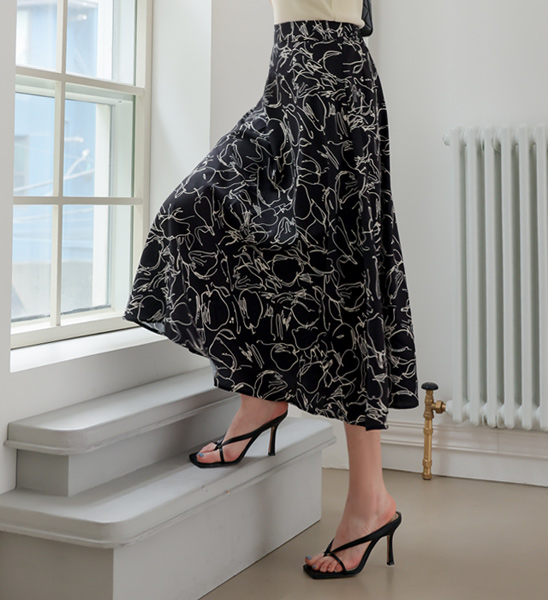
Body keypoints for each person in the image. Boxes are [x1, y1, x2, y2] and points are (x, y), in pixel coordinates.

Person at [124, 0, 419, 579]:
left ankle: (370, 500)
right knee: (192, 212)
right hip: (287, 73)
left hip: (333, 78)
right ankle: (261, 396)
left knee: (344, 279)